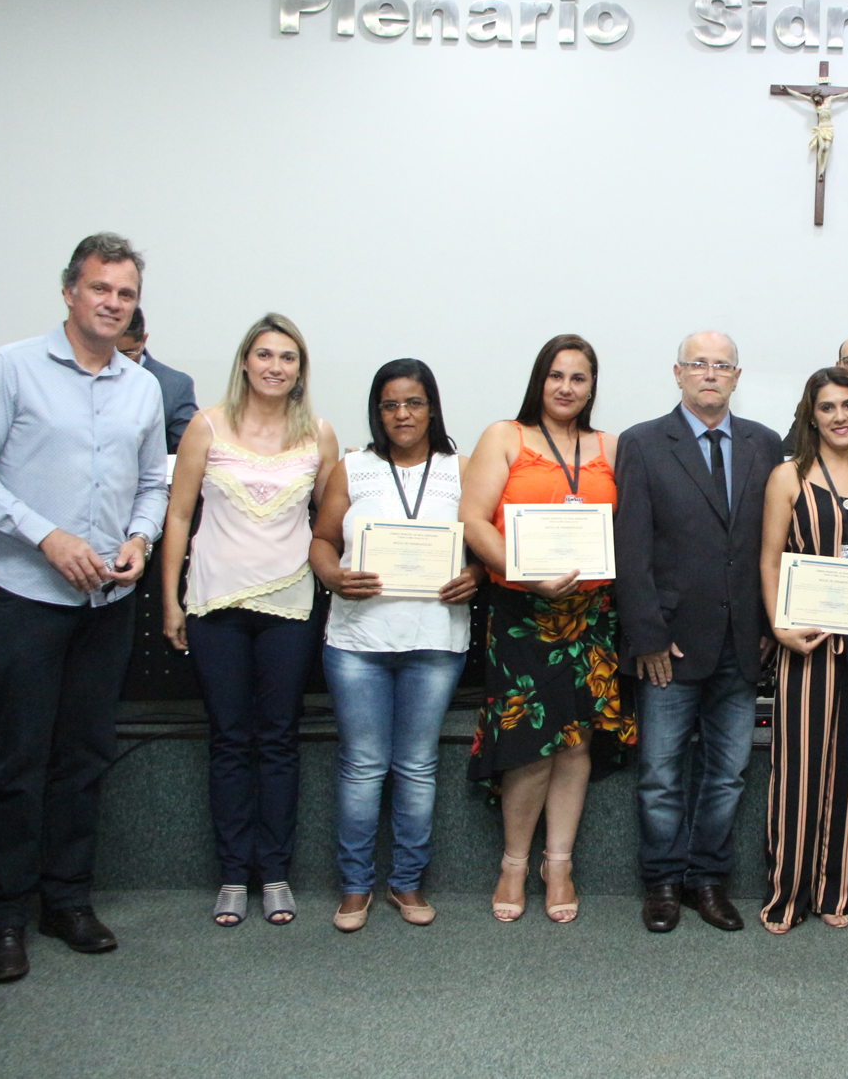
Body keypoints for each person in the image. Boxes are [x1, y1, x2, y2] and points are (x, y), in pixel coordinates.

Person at [0, 233, 167, 983]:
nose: (112, 302)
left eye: (125, 293)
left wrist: (140, 537)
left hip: (109, 599)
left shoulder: (140, 386)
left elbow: (153, 484)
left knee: (83, 757)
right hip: (28, 598)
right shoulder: (12, 367)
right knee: (17, 760)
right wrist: (45, 536)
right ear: (69, 291)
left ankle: (66, 899)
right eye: (100, 288)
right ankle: (3, 915)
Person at [161, 314, 339, 927]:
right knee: (231, 739)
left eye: (287, 357)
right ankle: (234, 874)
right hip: (215, 606)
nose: (274, 366)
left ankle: (277, 873)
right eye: (264, 355)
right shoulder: (206, 426)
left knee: (279, 740)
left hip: (289, 606)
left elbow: (329, 524)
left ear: (299, 370)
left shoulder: (319, 434)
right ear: (244, 362)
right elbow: (179, 517)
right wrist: (170, 600)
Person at [460, 334, 635, 924]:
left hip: (589, 618)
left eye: (578, 378)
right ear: (540, 380)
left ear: (592, 387)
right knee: (531, 744)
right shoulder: (504, 437)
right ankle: (514, 862)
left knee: (576, 741)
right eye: (556, 375)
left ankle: (557, 863)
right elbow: (473, 521)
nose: (566, 388)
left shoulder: (611, 446)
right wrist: (522, 574)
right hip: (522, 616)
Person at [614, 332, 783, 934]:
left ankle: (706, 879)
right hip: (669, 644)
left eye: (722, 365)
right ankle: (661, 882)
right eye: (699, 364)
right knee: (660, 773)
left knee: (728, 772)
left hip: (743, 642)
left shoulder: (767, 444)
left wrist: (769, 622)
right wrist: (647, 635)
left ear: (737, 376)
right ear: (678, 373)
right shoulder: (641, 443)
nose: (710, 374)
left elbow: (775, 544)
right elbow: (630, 549)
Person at [309, 359, 484, 932]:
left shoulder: (463, 469)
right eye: (390, 405)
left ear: (432, 407)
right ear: (377, 412)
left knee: (416, 766)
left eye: (413, 402)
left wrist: (478, 575)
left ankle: (406, 884)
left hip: (434, 640)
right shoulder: (352, 469)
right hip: (359, 640)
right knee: (362, 767)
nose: (402, 414)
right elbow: (321, 541)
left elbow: (484, 539)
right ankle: (356, 886)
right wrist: (333, 576)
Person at [759, 367, 848, 933]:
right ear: (810, 415)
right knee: (797, 772)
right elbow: (769, 559)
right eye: (828, 407)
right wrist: (777, 627)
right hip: (804, 645)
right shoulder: (787, 477)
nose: (840, 416)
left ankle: (835, 891)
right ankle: (786, 896)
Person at [116, 307, 199, 452]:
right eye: (109, 353)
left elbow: (189, 454)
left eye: (127, 353)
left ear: (143, 341)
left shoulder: (174, 386)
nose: (117, 362)